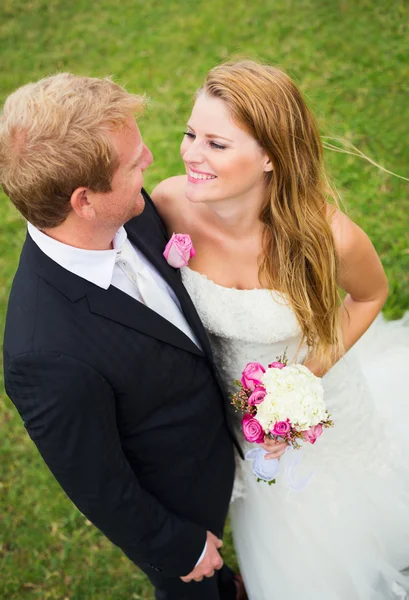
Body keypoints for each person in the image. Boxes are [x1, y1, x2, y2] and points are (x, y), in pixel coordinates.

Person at [152, 60, 409, 599]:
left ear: (270, 155)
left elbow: (370, 296)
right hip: (228, 417)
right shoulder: (171, 205)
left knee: (338, 511)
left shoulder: (328, 238)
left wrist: (300, 383)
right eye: (190, 133)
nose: (191, 154)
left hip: (315, 400)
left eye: (216, 144)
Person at [0, 73, 248, 600]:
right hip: (179, 507)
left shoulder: (127, 214)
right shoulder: (43, 354)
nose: (153, 161)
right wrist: (175, 546)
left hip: (227, 450)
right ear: (84, 201)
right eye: (134, 163)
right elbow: (97, 482)